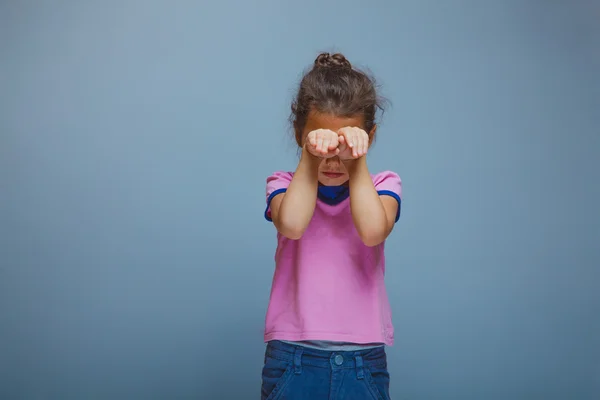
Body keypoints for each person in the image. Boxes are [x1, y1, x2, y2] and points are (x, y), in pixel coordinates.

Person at [260, 52, 402, 400]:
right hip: (293, 357)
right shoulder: (282, 184)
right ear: (299, 135)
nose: (333, 158)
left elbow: (372, 231)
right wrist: (310, 157)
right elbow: (292, 224)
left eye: (344, 145)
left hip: (362, 361)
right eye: (322, 143)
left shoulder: (384, 184)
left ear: (370, 136)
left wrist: (358, 162)